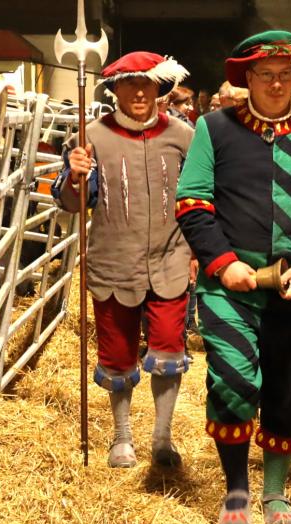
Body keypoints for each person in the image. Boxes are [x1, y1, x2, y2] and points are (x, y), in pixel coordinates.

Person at [176, 30, 291, 524]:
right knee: (232, 381)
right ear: (246, 79)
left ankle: (274, 489)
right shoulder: (215, 127)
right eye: (265, 75)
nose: (276, 84)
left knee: (290, 390)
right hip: (230, 283)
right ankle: (236, 489)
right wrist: (222, 261)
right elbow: (192, 202)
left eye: (285, 75)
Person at [52, 51, 195, 469]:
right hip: (113, 263)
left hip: (170, 260)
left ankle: (162, 439)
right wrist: (76, 174)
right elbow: (73, 203)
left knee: (169, 349)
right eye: (128, 84)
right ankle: (122, 437)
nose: (137, 92)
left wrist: (200, 253)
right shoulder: (89, 137)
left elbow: (200, 198)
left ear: (159, 88)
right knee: (117, 355)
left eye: (146, 84)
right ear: (114, 89)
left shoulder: (184, 136)